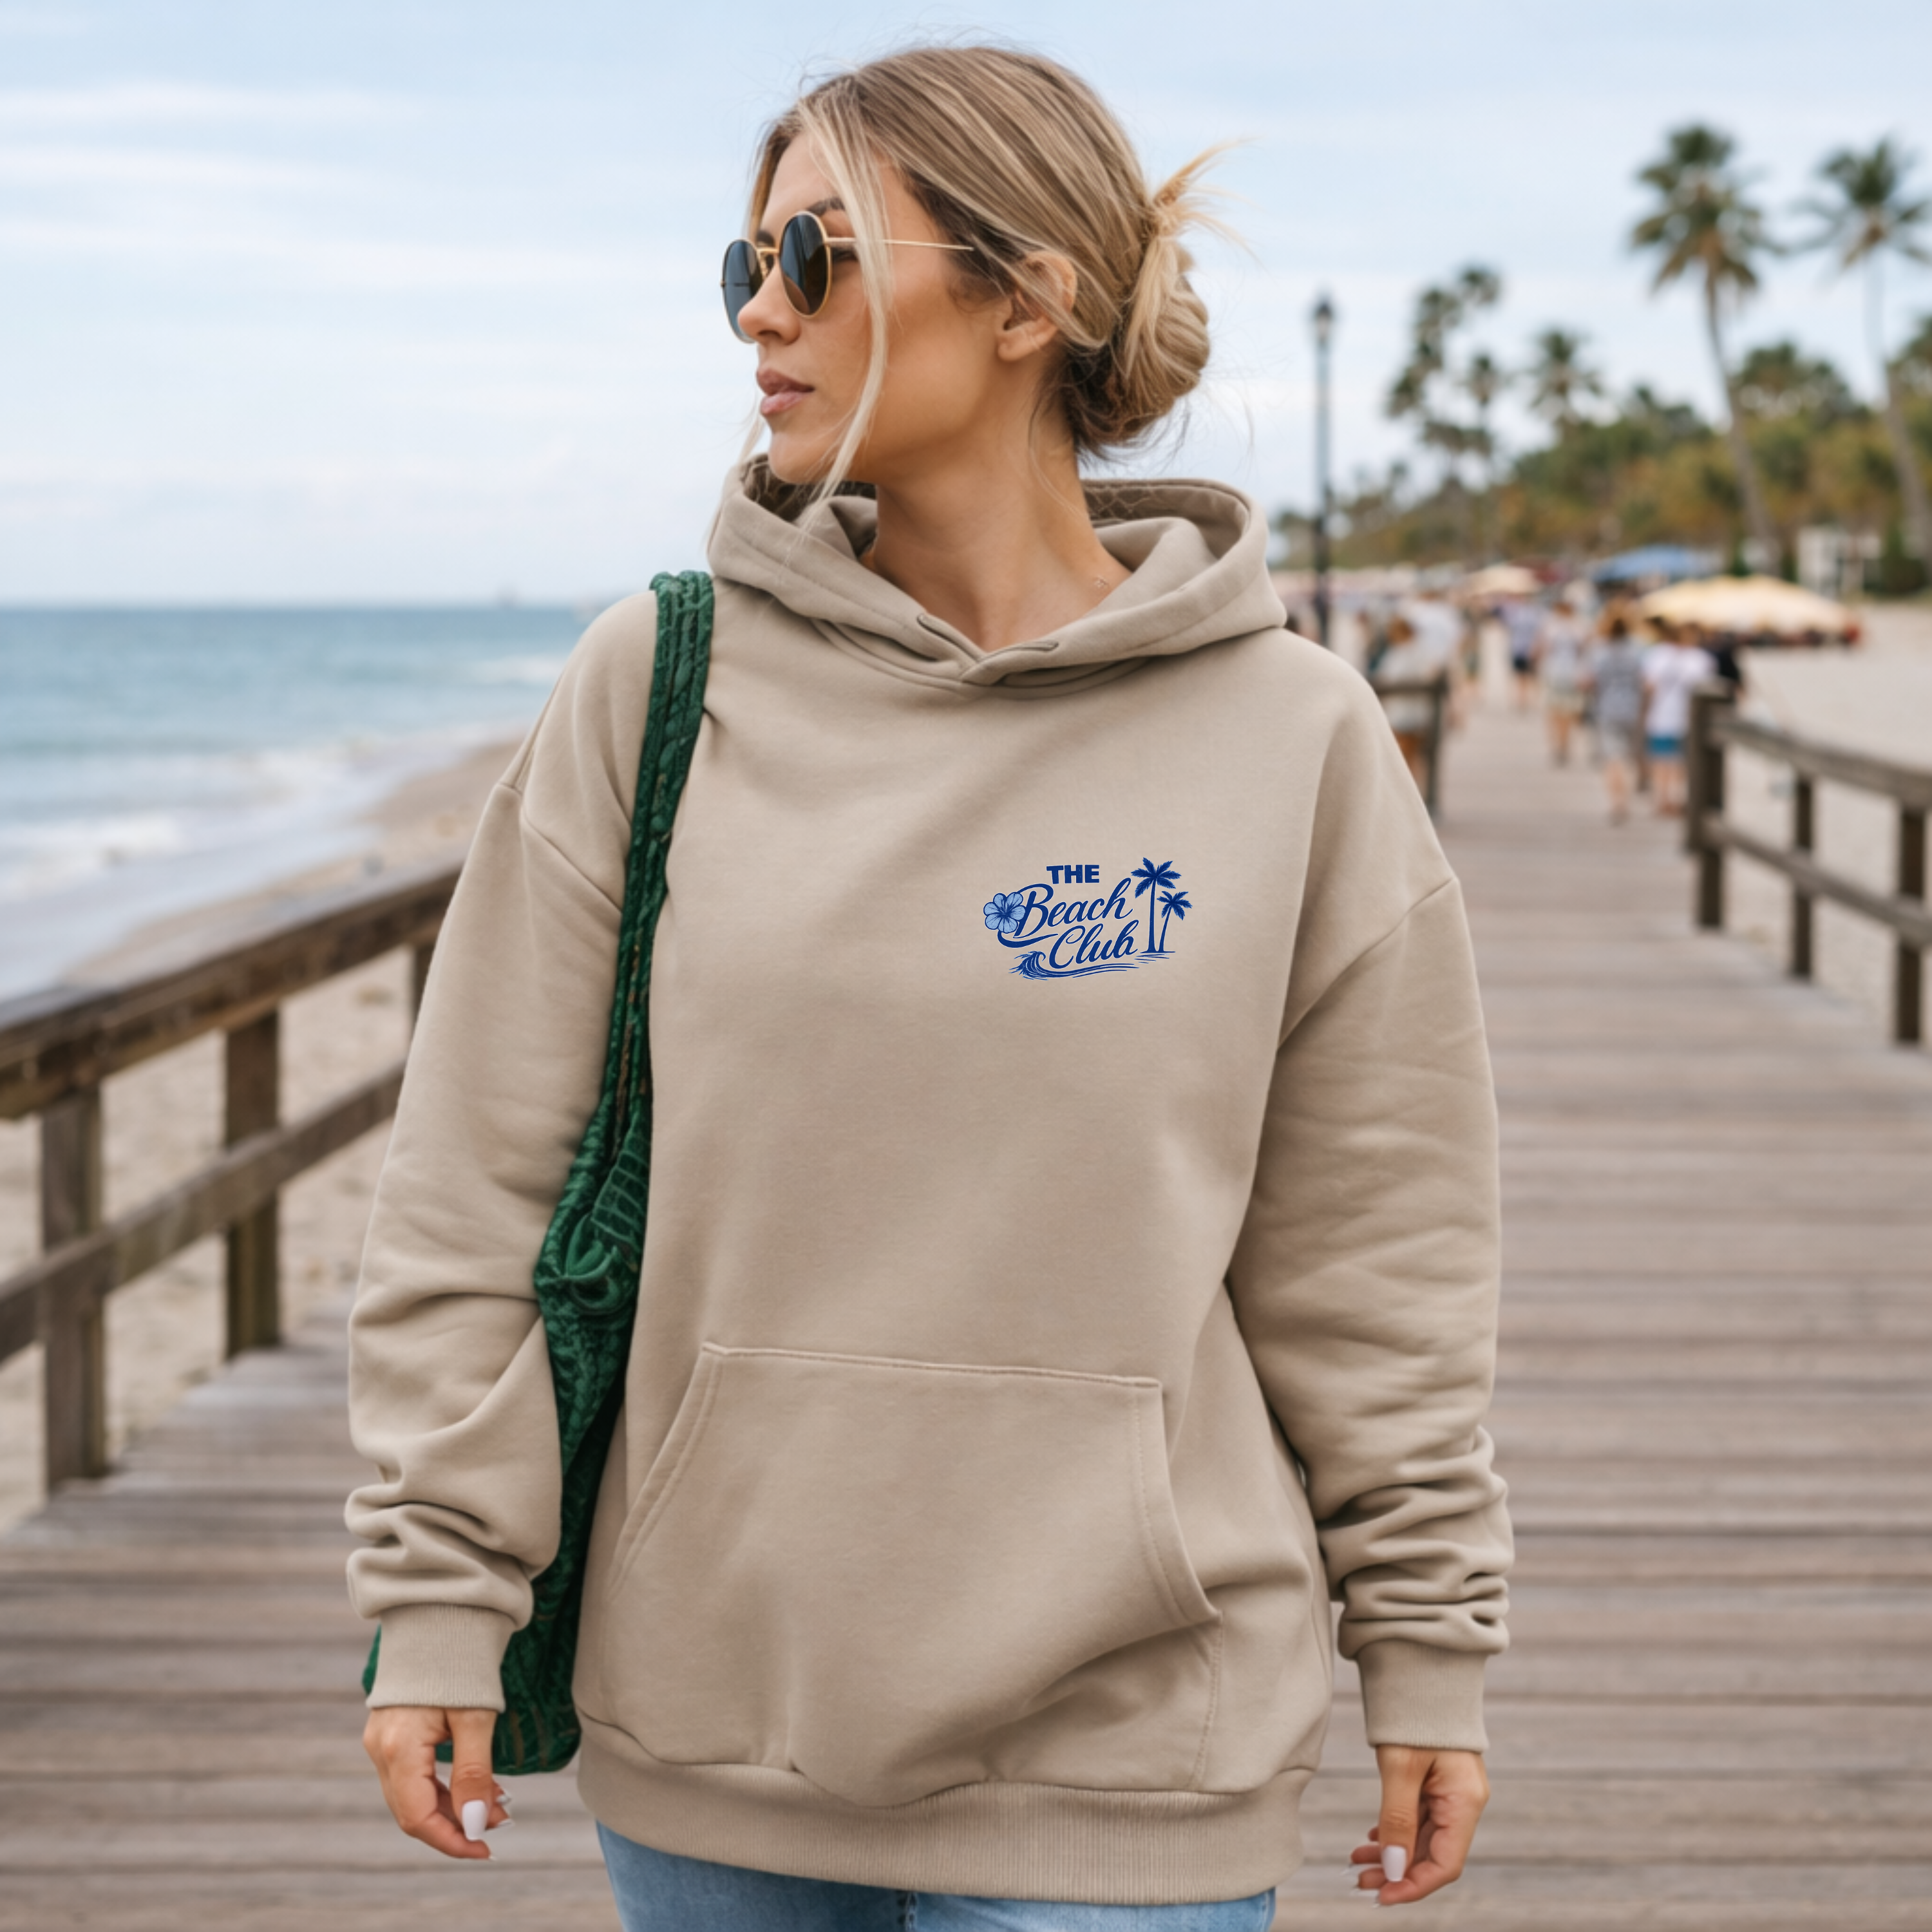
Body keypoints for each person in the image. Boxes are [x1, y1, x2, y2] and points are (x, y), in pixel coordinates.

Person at [348, 44, 1511, 1931]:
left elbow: (1377, 1258)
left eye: (812, 256)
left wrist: (1432, 1642)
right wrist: (435, 1595)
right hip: (723, 1724)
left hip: (1140, 1740)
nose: (761, 320)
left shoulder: (1290, 736)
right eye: (740, 271)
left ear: (1030, 294)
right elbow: (471, 1182)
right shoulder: (655, 686)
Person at [1642, 623, 1718, 816]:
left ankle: (1662, 800)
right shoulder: (1701, 659)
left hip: (1661, 715)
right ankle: (1677, 800)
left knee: (1661, 761)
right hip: (1688, 719)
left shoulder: (1658, 655)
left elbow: (1649, 687)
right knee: (1682, 763)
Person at [1586, 615, 1646, 824]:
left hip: (1607, 709)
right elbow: (1646, 682)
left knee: (1612, 758)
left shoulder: (1599, 652)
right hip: (1633, 709)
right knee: (1629, 758)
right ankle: (1626, 798)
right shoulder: (1638, 651)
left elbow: (1587, 680)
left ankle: (1616, 802)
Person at [1536, 596, 1588, 767]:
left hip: (1555, 674)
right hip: (1573, 675)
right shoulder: (1579, 628)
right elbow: (1585, 652)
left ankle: (1557, 746)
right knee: (1569, 713)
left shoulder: (1552, 628)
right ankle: (1565, 745)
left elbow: (1542, 650)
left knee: (1554, 713)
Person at [1500, 596, 1542, 709]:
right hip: (1526, 648)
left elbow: (1509, 629)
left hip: (1519, 648)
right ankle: (1525, 698)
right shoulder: (1534, 615)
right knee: (1528, 676)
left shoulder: (1516, 615)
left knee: (1521, 676)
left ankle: (1522, 698)